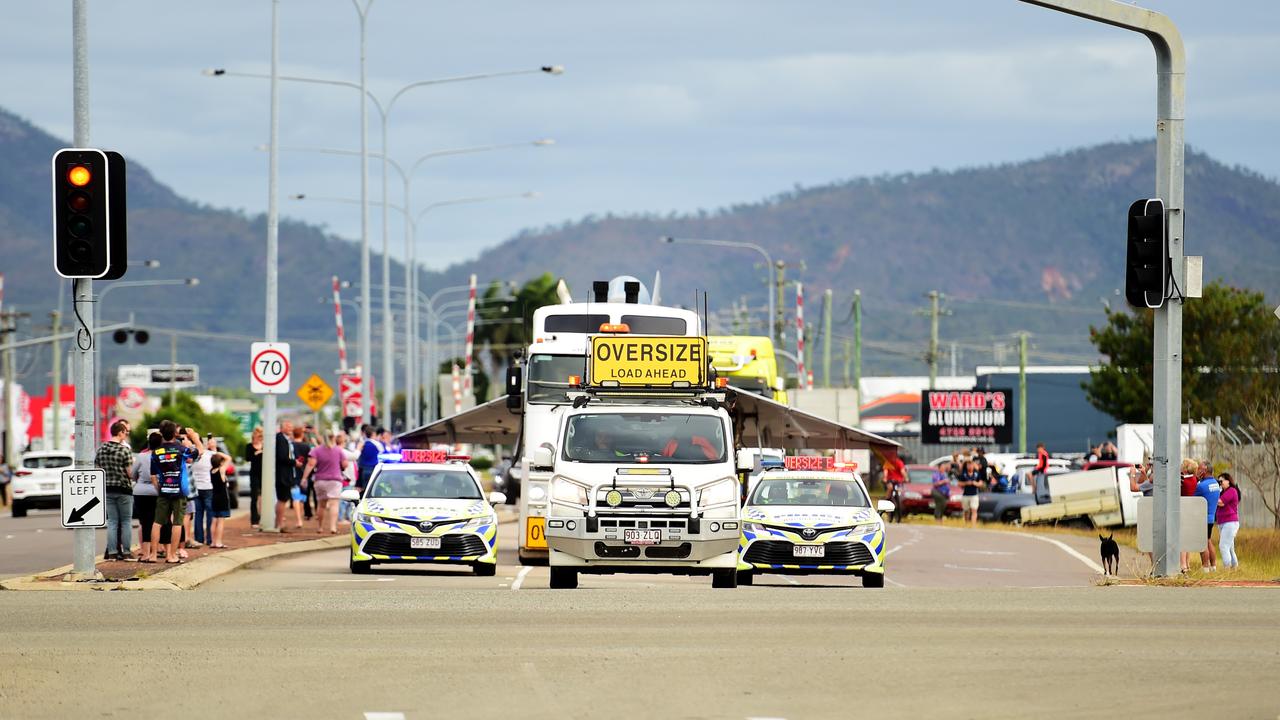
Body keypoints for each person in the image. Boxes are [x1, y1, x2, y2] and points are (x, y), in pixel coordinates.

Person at [151, 421, 200, 564]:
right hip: (179, 491)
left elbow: (153, 475)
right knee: (177, 523)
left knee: (157, 522)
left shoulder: (156, 452)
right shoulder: (181, 449)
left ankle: (153, 554)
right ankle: (171, 555)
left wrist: (159, 489)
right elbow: (198, 452)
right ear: (174, 434)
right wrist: (194, 438)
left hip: (163, 490)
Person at [95, 419, 135, 560]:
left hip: (107, 488)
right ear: (120, 433)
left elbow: (97, 469)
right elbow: (130, 472)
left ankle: (112, 552)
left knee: (112, 522)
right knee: (125, 522)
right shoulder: (124, 450)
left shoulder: (101, 449)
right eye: (126, 432)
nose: (126, 435)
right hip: (123, 488)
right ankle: (126, 551)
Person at [301, 433, 348, 534]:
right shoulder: (339, 450)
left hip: (320, 480)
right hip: (335, 480)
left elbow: (310, 464)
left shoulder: (316, 450)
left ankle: (320, 527)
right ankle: (333, 527)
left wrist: (304, 478)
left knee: (321, 505)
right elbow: (345, 464)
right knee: (334, 504)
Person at [131, 432, 162, 563]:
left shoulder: (141, 456)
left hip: (141, 491)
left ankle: (145, 553)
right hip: (157, 491)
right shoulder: (162, 456)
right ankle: (157, 551)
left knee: (144, 522)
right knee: (156, 522)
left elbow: (133, 474)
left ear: (148, 443)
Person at [1194, 462, 1221, 572]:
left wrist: (1196, 480)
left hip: (1202, 517)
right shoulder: (1215, 483)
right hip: (1211, 516)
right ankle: (1213, 566)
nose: (1197, 470)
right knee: (1208, 540)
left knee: (1202, 542)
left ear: (1203, 471)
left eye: (1199, 468)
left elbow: (1192, 498)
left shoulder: (1201, 486)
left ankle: (1205, 567)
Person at [275, 420, 298, 530]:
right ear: (282, 427)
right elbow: (282, 457)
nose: (290, 428)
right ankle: (279, 524)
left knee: (283, 499)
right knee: (282, 499)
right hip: (282, 475)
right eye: (288, 426)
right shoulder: (280, 439)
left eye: (291, 426)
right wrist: (294, 462)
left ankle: (278, 522)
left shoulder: (285, 439)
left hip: (286, 474)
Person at [1215, 473, 1240, 570]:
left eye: (1221, 481)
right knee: (1229, 547)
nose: (1220, 483)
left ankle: (1227, 567)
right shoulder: (1222, 492)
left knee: (1223, 546)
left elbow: (1220, 503)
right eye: (1219, 482)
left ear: (1228, 481)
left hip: (1230, 522)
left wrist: (1214, 494)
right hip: (1223, 522)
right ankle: (1234, 567)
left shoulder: (1232, 491)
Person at [1178, 458, 1199, 573]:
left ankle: (1183, 565)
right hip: (1192, 511)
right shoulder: (1195, 480)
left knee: (1182, 539)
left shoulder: (1183, 482)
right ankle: (1187, 563)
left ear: (1185, 469)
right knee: (1187, 539)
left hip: (1183, 510)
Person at [207, 454, 232, 548]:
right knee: (220, 521)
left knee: (214, 520)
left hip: (214, 497)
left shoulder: (211, 471)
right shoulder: (221, 470)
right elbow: (229, 458)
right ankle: (218, 542)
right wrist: (218, 453)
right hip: (222, 498)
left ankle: (213, 542)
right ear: (220, 462)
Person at [355, 424, 381, 492]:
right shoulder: (377, 444)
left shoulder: (362, 443)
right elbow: (382, 453)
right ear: (373, 434)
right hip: (374, 469)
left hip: (364, 470)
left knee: (366, 490)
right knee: (374, 489)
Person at [959, 460, 983, 527]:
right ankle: (966, 524)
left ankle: (973, 525)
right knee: (966, 511)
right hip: (966, 494)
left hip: (974, 495)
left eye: (971, 465)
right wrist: (966, 483)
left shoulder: (976, 473)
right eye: (968, 465)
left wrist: (976, 483)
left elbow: (981, 483)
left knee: (974, 510)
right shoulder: (963, 473)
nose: (969, 466)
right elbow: (959, 483)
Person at [248, 427, 263, 528]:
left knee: (264, 497)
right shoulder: (249, 446)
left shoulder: (266, 446)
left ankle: (263, 517)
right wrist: (257, 453)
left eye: (260, 435)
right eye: (256, 434)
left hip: (264, 474)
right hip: (254, 474)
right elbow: (247, 458)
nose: (257, 437)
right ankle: (254, 520)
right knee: (254, 497)